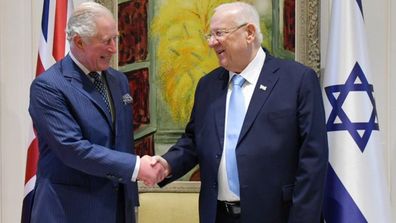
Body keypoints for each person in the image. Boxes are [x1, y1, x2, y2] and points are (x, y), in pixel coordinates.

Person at [154, 2, 328, 223]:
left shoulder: (297, 80)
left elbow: (313, 160)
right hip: (218, 215)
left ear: (249, 33)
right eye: (209, 35)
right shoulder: (208, 85)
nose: (211, 42)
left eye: (219, 33)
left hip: (277, 216)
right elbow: (193, 141)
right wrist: (166, 164)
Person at [28, 2, 165, 223]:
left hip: (119, 209)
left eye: (116, 39)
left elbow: (122, 141)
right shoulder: (48, 87)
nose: (114, 48)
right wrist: (137, 167)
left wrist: (131, 201)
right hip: (70, 210)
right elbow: (72, 149)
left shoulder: (118, 80)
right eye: (106, 41)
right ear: (79, 41)